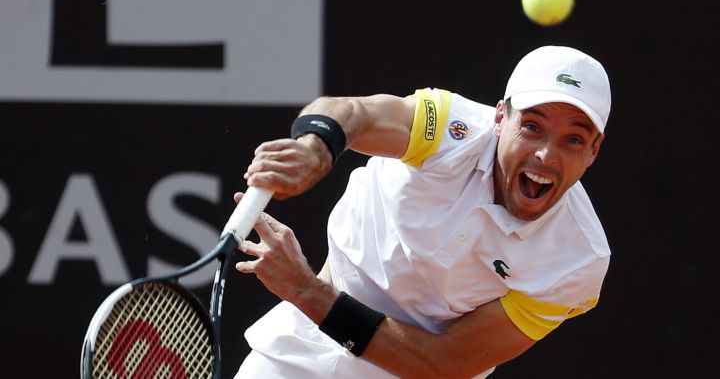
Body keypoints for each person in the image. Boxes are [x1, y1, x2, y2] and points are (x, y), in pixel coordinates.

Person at [233, 45, 612, 378]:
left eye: (573, 140)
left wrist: (304, 290)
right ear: (499, 119)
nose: (546, 154)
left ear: (594, 151)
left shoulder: (578, 260)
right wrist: (316, 148)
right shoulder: (450, 128)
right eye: (532, 127)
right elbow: (355, 112)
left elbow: (443, 365)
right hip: (299, 346)